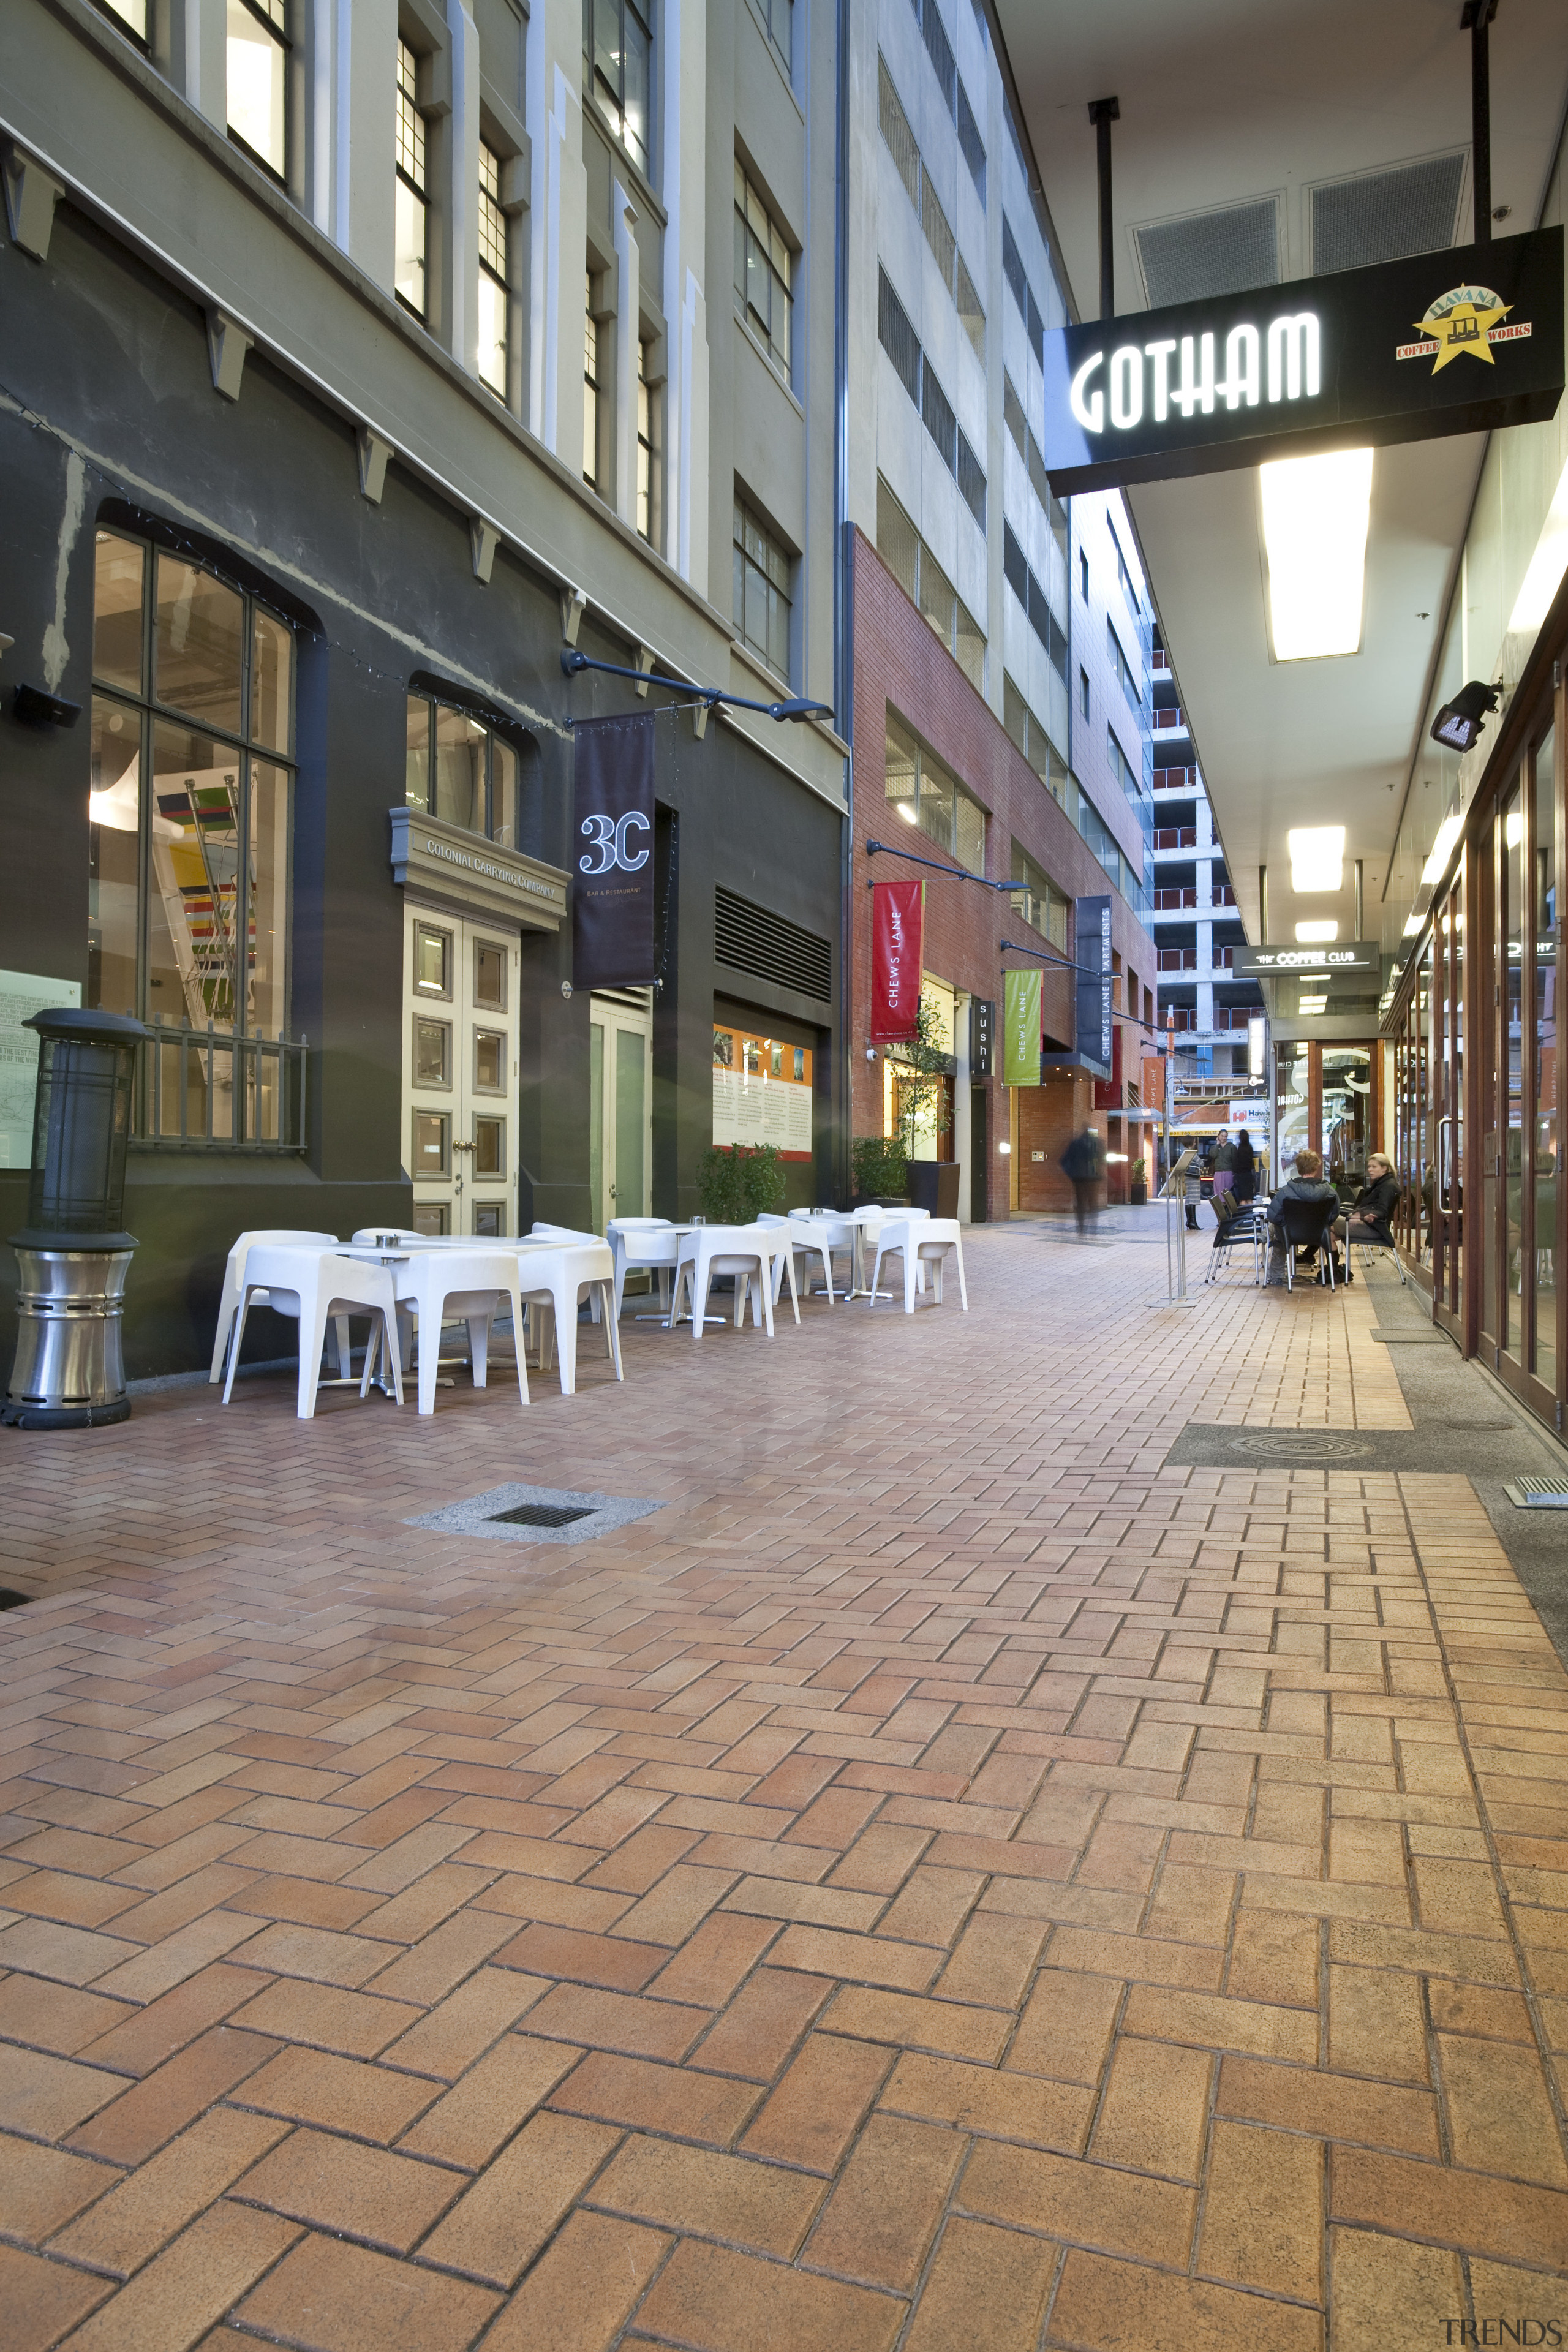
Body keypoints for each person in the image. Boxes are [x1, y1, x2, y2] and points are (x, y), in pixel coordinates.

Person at [1265, 1148, 1343, 1286]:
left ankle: (1276, 1277)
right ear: (1317, 1167)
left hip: (1289, 1235)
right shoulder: (1330, 1192)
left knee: (1277, 1231)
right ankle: (1330, 1274)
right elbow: (1334, 1215)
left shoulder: (1286, 1192)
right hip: (1319, 1235)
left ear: (1298, 1167)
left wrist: (1285, 1223)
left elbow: (1273, 1215)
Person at [1339, 1153, 1400, 1251]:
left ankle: (1328, 1263)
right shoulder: (1380, 1184)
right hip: (1370, 1225)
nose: (1370, 1169)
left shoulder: (1388, 1186)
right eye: (1369, 1167)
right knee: (1329, 1229)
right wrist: (1359, 1212)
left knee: (1329, 1226)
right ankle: (1331, 1264)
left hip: (1375, 1229)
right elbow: (1368, 1204)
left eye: (1374, 1167)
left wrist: (1361, 1213)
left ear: (1384, 1168)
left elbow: (1383, 1211)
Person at [1058, 1124, 1106, 1238]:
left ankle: (1081, 1230)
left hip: (1079, 1179)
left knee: (1081, 1205)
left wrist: (1072, 1174)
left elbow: (1063, 1160)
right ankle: (1093, 1230)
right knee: (1093, 1204)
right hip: (1092, 1179)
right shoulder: (1098, 1144)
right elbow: (1101, 1161)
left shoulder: (1076, 1143)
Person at [1210, 1131, 1238, 1210]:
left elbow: (1235, 1160)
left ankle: (1228, 1210)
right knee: (1219, 1194)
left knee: (1227, 1193)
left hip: (1229, 1171)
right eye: (1222, 1136)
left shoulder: (1231, 1147)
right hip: (1218, 1172)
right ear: (1219, 1136)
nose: (1224, 1138)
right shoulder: (1215, 1147)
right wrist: (1217, 1144)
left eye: (1225, 1136)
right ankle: (1222, 1211)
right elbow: (1213, 1155)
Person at [1234, 1128, 1257, 1204]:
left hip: (1241, 1176)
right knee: (1249, 1198)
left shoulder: (1239, 1148)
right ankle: (1251, 1213)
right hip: (1248, 1175)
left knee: (1242, 1199)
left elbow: (1236, 1162)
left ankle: (1243, 1213)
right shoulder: (1250, 1147)